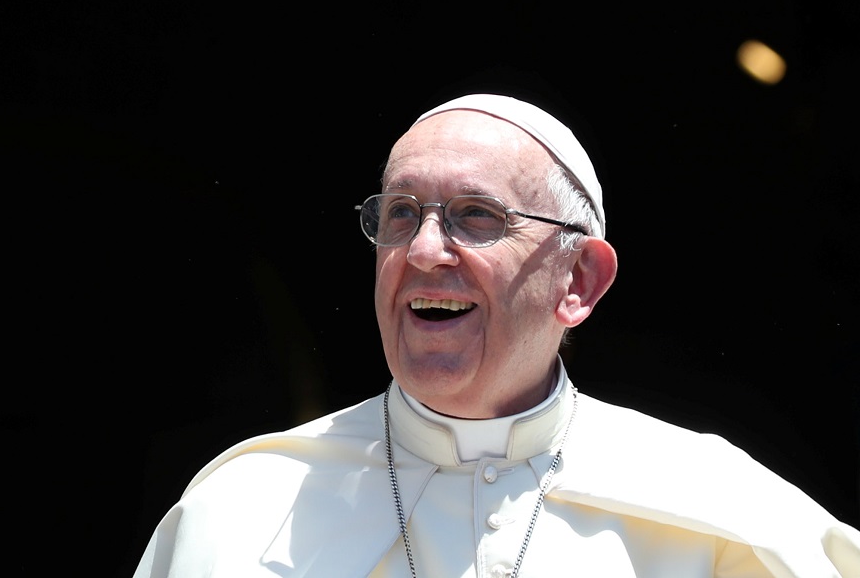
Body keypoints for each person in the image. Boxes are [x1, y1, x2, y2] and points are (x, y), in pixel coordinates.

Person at [132, 93, 860, 577]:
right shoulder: (240, 512)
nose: (423, 251)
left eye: (476, 215)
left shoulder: (726, 521)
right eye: (401, 214)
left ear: (579, 282)